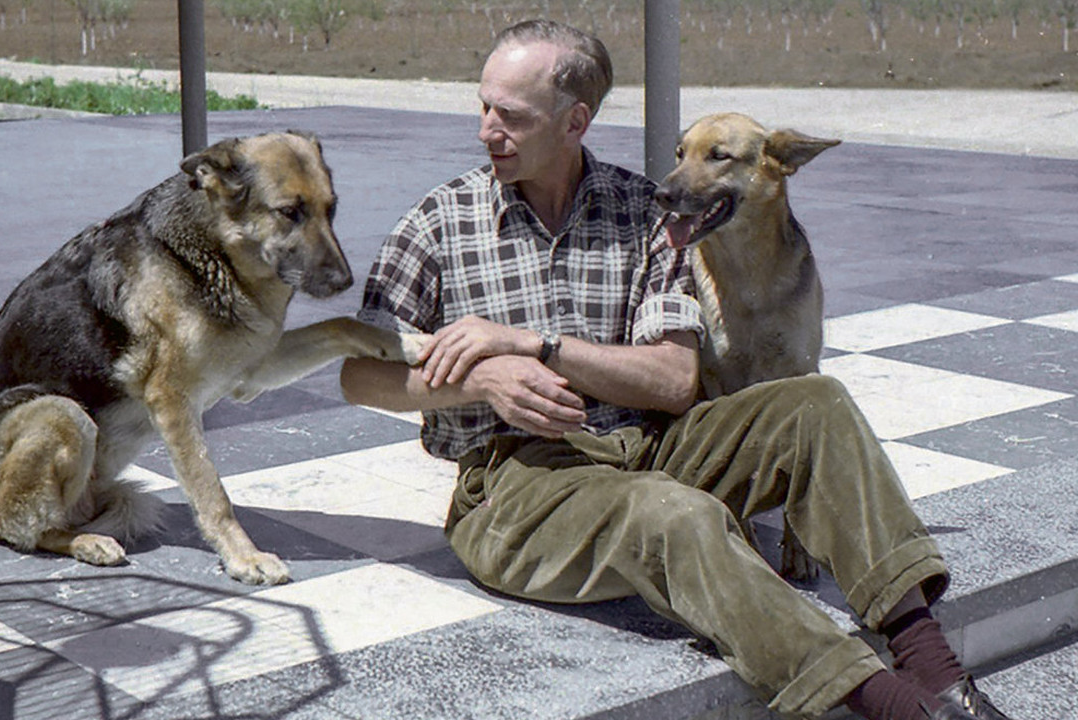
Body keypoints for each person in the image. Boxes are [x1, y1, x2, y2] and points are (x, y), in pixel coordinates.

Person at [340, 19, 1015, 720]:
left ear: (575, 121)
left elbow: (671, 381)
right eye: (484, 107)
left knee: (817, 401)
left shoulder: (645, 213)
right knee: (679, 516)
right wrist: (477, 381)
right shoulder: (438, 222)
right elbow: (358, 374)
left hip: (649, 449)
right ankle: (899, 710)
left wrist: (532, 345)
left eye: (510, 115)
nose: (487, 129)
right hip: (516, 485)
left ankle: (937, 673)